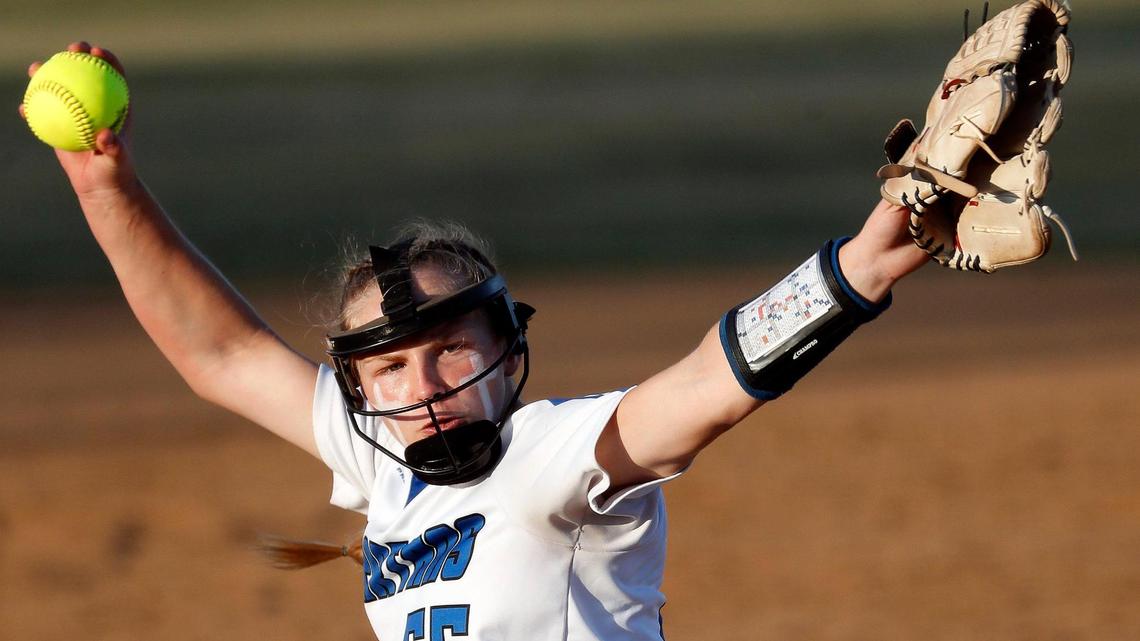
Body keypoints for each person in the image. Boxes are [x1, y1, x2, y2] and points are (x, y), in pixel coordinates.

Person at [24, 42, 930, 640]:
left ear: (505, 349)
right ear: (360, 388)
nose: (421, 384)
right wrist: (108, 190)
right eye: (387, 365)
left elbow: (707, 383)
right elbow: (217, 353)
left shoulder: (555, 455)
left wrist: (858, 269)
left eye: (449, 348)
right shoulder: (381, 458)